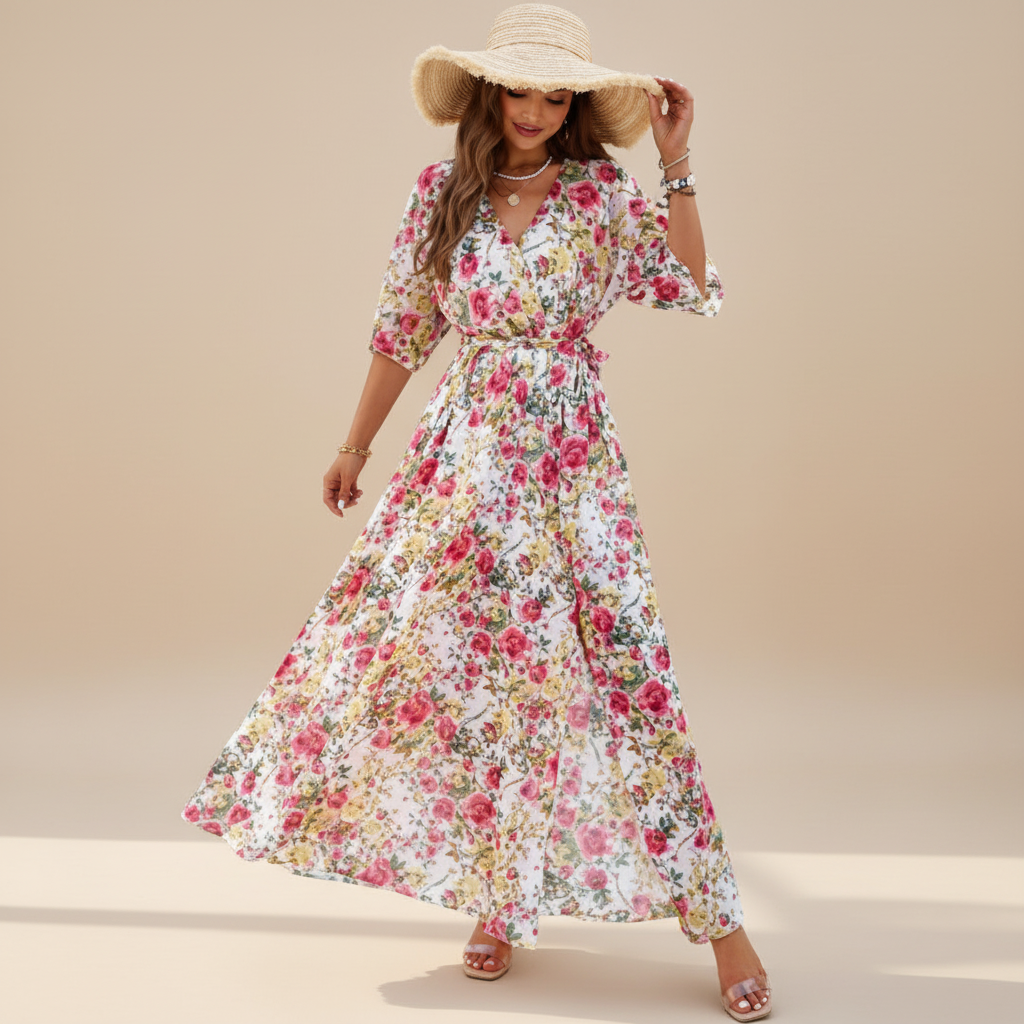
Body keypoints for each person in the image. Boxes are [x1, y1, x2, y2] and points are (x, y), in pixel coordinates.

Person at [181, 4, 771, 1020]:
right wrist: (353, 445)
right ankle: (499, 901)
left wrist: (675, 162)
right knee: (478, 681)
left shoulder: (599, 195)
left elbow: (685, 286)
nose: (535, 111)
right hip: (463, 464)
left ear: (573, 108)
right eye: (519, 91)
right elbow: (402, 330)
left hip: (572, 466)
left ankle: (725, 929)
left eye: (555, 97)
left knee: (629, 677)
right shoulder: (439, 195)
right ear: (488, 95)